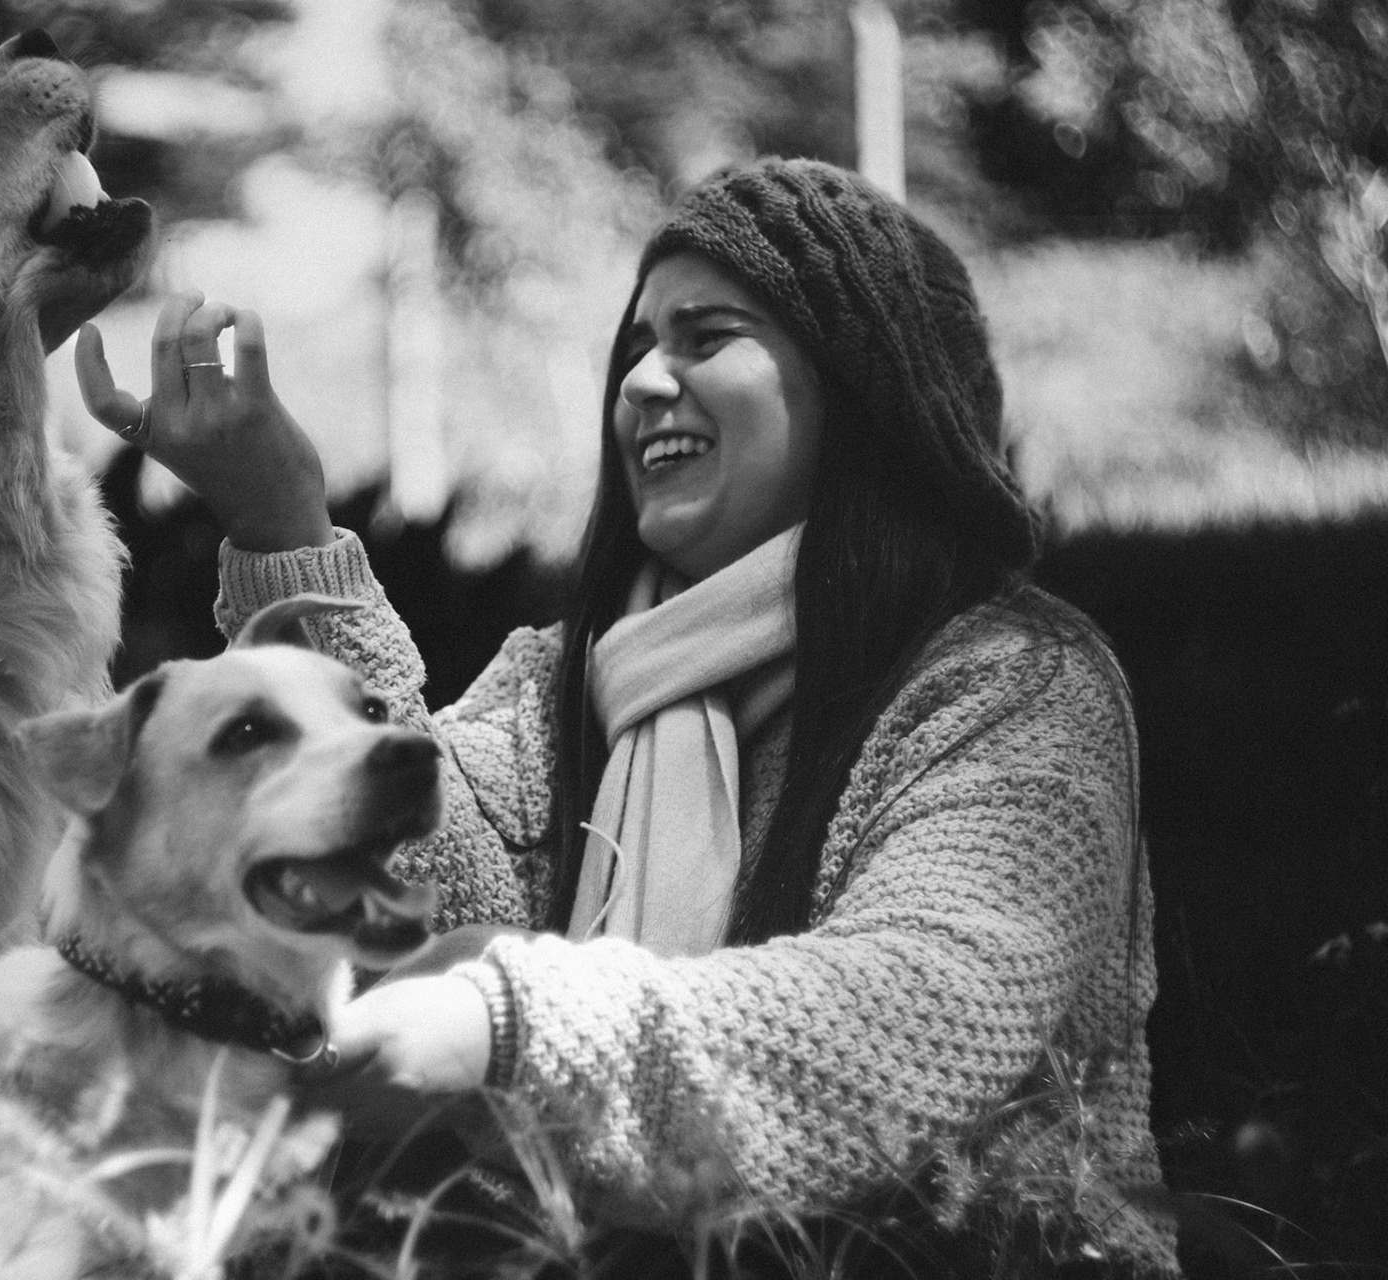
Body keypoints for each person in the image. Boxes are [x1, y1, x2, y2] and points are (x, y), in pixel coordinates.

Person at [75, 158, 1179, 1275]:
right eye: (638, 346)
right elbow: (414, 891)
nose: (645, 380)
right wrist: (281, 519)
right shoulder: (564, 679)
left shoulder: (1015, 686)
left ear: (866, 388)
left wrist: (509, 1026)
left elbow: (919, 1014)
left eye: (708, 336)